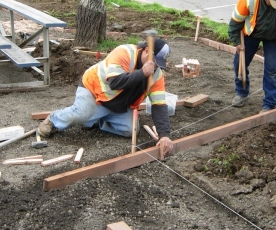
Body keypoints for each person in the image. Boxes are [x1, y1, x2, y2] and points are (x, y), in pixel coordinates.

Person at [38, 39, 174, 155]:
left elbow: (159, 105)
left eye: (158, 64)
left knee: (129, 130)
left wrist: (164, 136)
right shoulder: (124, 53)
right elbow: (115, 83)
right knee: (81, 114)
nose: (155, 67)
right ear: (146, 51)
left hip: (118, 103)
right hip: (93, 90)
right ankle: (53, 120)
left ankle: (97, 120)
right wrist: (142, 73)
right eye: (154, 62)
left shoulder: (157, 76)